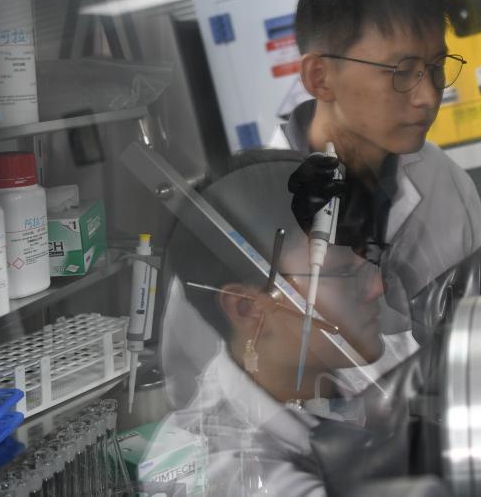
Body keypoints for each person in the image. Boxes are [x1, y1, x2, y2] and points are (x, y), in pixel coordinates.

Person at [149, 151, 387, 497]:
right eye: (345, 272)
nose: (378, 287)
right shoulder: (217, 473)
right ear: (248, 309)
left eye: (371, 259)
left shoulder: (337, 358)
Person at [283, 0, 481, 333]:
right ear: (320, 77)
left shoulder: (445, 181)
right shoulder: (249, 210)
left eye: (437, 67)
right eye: (402, 71)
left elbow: (480, 326)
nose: (429, 96)